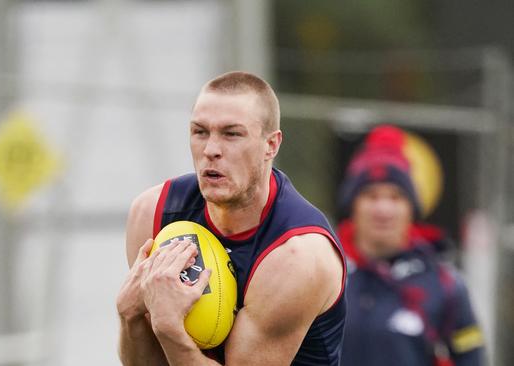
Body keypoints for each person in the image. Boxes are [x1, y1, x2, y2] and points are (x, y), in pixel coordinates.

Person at [116, 71, 346, 365]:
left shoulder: (296, 255)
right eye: (200, 132)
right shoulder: (152, 213)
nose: (211, 150)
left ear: (271, 145)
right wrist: (130, 318)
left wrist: (170, 328)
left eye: (231, 134)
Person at [337, 125, 485, 366]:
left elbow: (472, 357)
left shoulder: (445, 285)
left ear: (412, 208)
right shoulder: (323, 270)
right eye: (371, 196)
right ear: (353, 204)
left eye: (395, 197)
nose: (383, 209)